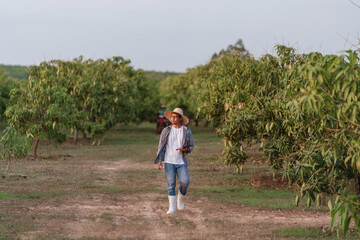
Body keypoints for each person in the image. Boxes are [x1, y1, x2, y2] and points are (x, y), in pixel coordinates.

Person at [154, 108, 194, 214]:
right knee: (171, 185)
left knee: (185, 182)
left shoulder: (186, 131)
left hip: (181, 161)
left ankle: (180, 199)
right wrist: (159, 160)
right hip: (169, 161)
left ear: (180, 118)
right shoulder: (166, 130)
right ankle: (172, 207)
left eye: (175, 117)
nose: (173, 118)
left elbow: (191, 146)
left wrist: (184, 149)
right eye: (172, 117)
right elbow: (161, 146)